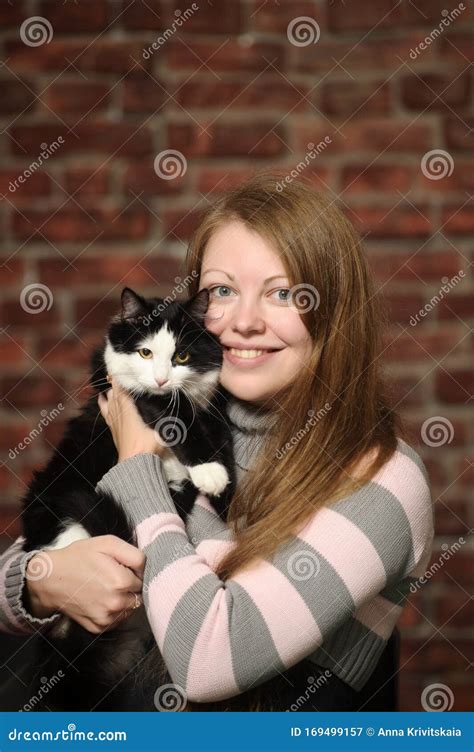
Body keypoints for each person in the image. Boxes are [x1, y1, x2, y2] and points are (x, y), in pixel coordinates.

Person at [0, 173, 434, 711]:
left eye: (281, 292)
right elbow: (21, 569)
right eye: (224, 290)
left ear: (332, 311)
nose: (245, 323)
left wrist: (140, 464)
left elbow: (210, 660)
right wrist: (42, 585)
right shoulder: (189, 411)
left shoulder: (383, 477)